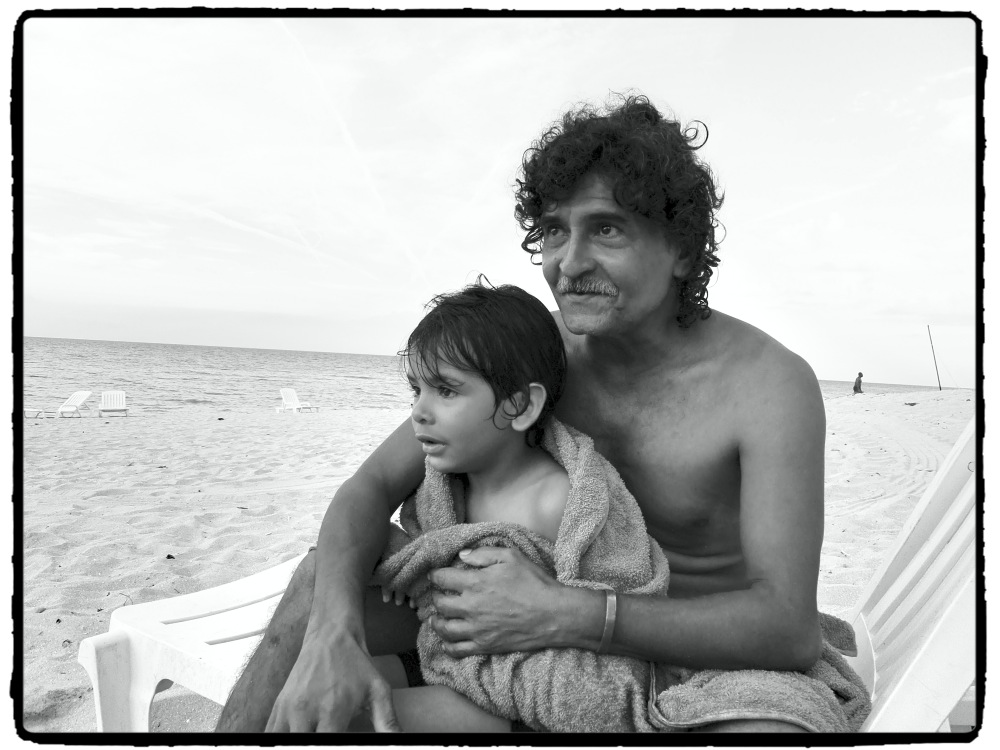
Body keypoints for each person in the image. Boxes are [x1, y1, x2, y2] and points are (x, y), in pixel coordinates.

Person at [217, 92, 869, 734]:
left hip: (697, 658)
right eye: (555, 230)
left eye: (607, 228)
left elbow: (786, 629)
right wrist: (332, 634)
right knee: (321, 585)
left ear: (682, 250)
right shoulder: (534, 355)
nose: (570, 263)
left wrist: (563, 611)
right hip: (519, 636)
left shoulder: (766, 386)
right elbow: (368, 488)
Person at [368, 281, 671, 733]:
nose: (419, 411)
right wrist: (406, 572)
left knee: (353, 716)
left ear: (520, 406)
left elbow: (617, 596)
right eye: (417, 390)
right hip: (451, 658)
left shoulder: (560, 500)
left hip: (522, 698)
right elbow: (426, 551)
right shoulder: (446, 485)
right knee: (327, 692)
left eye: (446, 391)